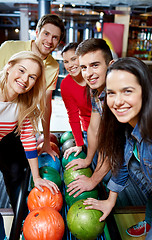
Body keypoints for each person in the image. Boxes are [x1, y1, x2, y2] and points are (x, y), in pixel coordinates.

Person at [0, 14, 65, 211]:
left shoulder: (52, 66)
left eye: (55, 37)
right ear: (37, 32)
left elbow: (46, 104)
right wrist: (5, 103)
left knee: (16, 172)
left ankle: (21, 216)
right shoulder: (10, 48)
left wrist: (47, 139)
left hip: (16, 122)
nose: (49, 41)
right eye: (46, 33)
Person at [0, 51, 59, 240]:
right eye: (21, 70)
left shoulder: (23, 105)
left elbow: (28, 141)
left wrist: (36, 178)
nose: (24, 79)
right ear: (8, 67)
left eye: (32, 77)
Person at [83, 57, 152, 239]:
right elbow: (120, 162)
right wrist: (110, 200)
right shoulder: (126, 126)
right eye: (111, 93)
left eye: (127, 91)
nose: (117, 101)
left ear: (145, 92)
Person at [65, 38, 113, 198]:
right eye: (84, 67)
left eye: (95, 65)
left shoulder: (115, 95)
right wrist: (87, 160)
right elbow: (93, 128)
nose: (88, 73)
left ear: (110, 65)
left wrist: (93, 180)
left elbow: (112, 147)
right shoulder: (96, 91)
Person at [60, 42, 92, 158]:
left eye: (74, 59)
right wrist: (79, 144)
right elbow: (73, 116)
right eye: (66, 62)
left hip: (107, 128)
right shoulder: (66, 84)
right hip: (88, 130)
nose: (70, 65)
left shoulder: (93, 76)